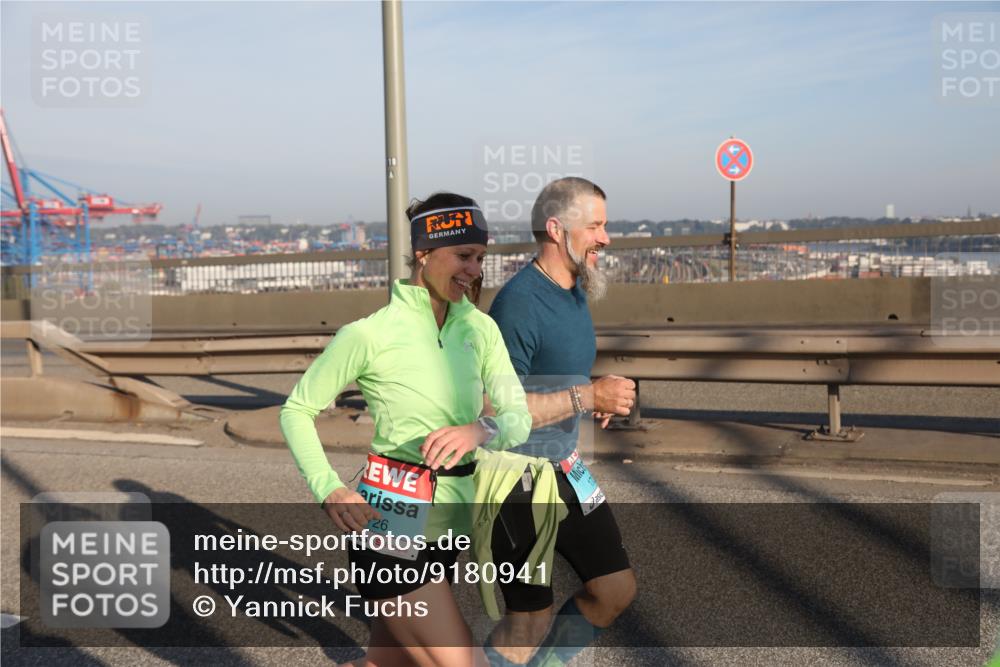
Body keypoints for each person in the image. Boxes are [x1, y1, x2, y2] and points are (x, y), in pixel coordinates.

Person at [280, 192, 530, 667]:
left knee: (387, 663)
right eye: (463, 255)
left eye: (479, 257)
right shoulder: (368, 334)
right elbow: (296, 410)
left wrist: (481, 428)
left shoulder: (481, 329)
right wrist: (330, 489)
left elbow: (517, 418)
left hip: (454, 522)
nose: (474, 270)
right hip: (391, 522)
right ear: (423, 252)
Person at [484, 177, 637, 666]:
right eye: (595, 226)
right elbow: (494, 410)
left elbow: (554, 375)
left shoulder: (575, 288)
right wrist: (585, 395)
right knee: (528, 622)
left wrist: (591, 399)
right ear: (556, 229)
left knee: (614, 590)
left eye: (605, 225)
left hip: (566, 467)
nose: (605, 238)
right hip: (515, 480)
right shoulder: (519, 304)